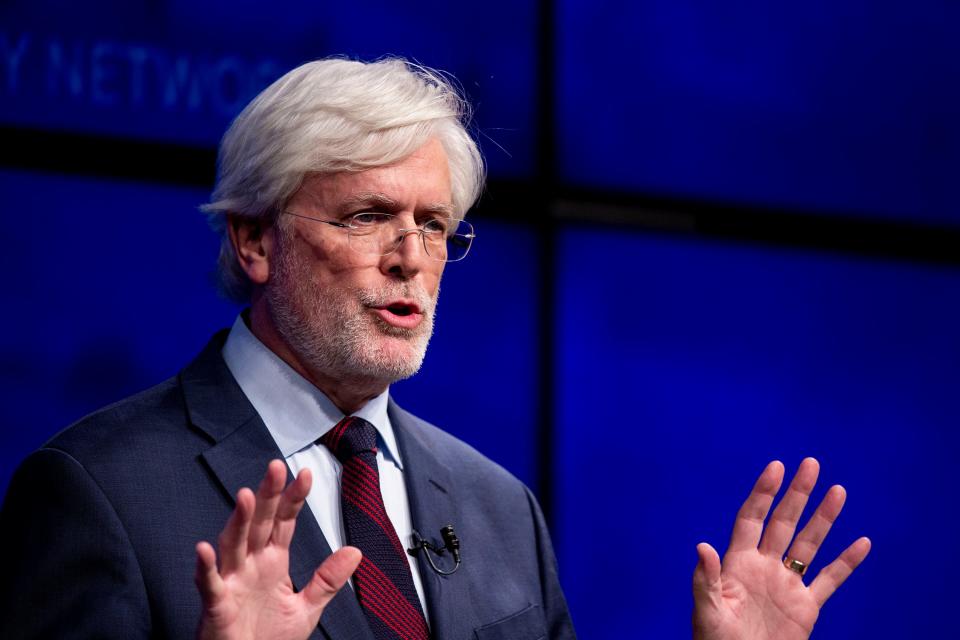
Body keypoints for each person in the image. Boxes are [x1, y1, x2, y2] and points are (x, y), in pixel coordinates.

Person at [0, 57, 869, 640]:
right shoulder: (98, 490)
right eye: (368, 216)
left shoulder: (499, 508)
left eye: (435, 225)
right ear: (256, 241)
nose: (411, 256)